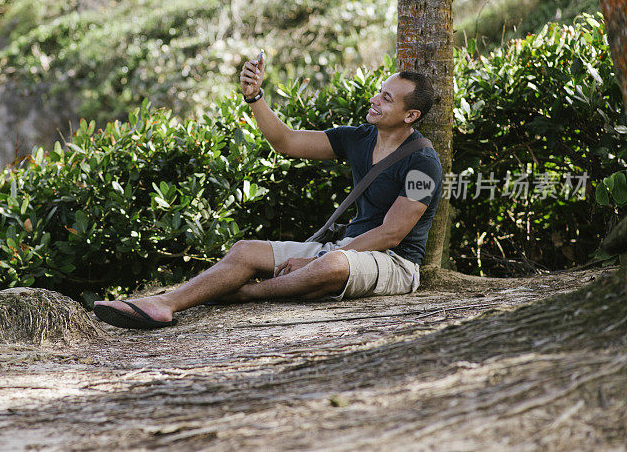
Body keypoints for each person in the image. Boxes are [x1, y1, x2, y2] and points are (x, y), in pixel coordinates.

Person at [93, 53, 443, 329]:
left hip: (395, 263)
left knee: (332, 265)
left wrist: (314, 260)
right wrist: (255, 97)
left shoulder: (423, 164)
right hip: (347, 248)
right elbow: (286, 141)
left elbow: (392, 233)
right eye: (379, 91)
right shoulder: (358, 138)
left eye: (386, 98)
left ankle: (248, 293)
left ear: (410, 115)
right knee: (245, 251)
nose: (374, 99)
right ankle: (164, 304)